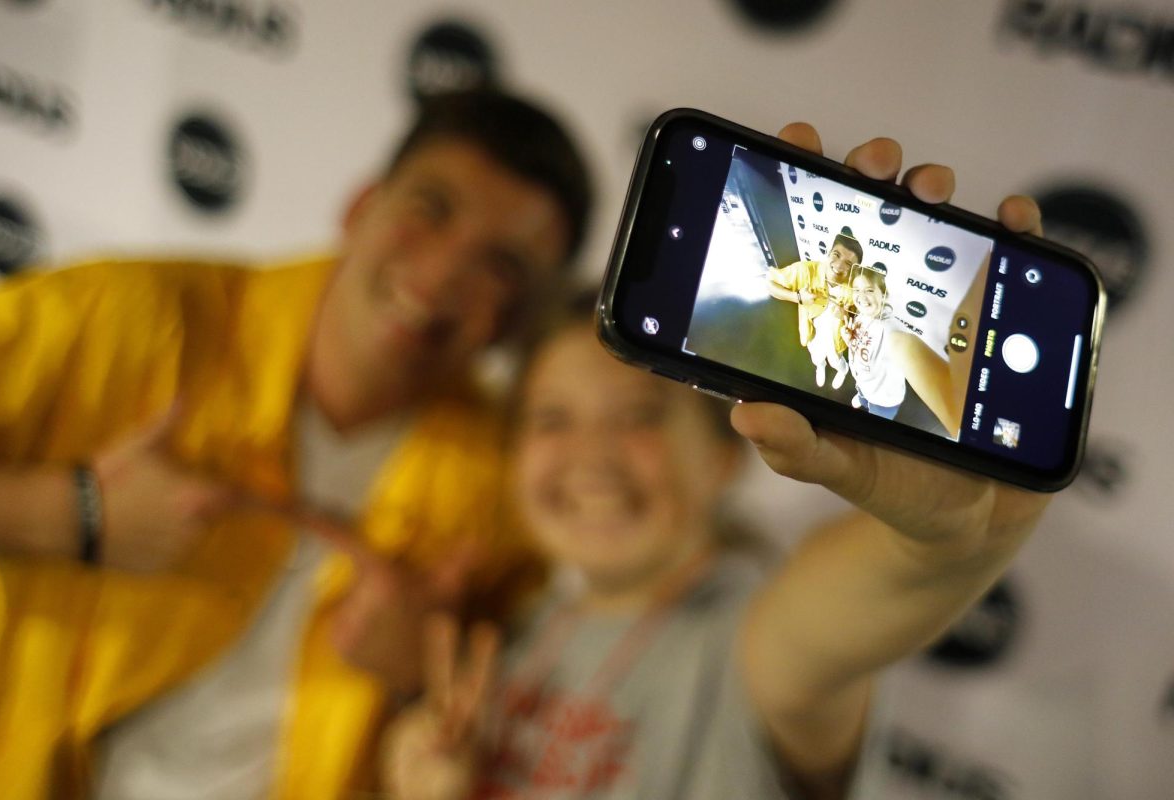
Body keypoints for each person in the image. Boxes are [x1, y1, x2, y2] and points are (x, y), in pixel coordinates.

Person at [379, 126, 1053, 800]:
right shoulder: (508, 636)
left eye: (640, 415)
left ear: (725, 454)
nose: (590, 456)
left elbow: (855, 608)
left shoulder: (744, 642)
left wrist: (946, 543)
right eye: (551, 419)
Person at [0, 89, 591, 799]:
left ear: (516, 320)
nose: (445, 273)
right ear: (362, 208)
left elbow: (495, 715)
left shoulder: (506, 481)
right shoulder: (137, 319)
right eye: (432, 209)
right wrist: (72, 514)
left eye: (501, 265)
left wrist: (419, 674)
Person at [766, 226, 862, 389]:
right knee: (816, 357)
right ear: (829, 252)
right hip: (812, 331)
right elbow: (770, 283)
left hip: (836, 337)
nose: (839, 265)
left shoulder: (856, 286)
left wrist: (845, 314)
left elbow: (861, 315)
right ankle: (820, 367)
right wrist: (798, 297)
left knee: (836, 360)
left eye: (848, 263)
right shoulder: (805, 271)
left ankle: (842, 371)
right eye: (836, 255)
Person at [842, 262, 907, 419]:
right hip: (864, 384)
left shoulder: (890, 328)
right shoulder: (862, 314)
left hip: (884, 400)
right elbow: (859, 348)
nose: (861, 297)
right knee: (862, 393)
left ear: (883, 294)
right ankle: (863, 400)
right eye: (856, 290)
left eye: (869, 290)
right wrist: (848, 339)